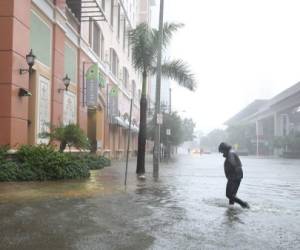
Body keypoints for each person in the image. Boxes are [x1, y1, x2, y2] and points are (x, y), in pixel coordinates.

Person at [218, 142, 250, 209]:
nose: (222, 153)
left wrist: (232, 175)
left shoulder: (230, 154)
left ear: (224, 149)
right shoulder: (231, 152)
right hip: (238, 175)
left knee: (228, 194)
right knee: (233, 195)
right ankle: (231, 208)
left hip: (234, 176)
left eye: (222, 151)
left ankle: (244, 204)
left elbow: (233, 163)